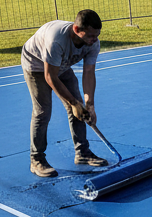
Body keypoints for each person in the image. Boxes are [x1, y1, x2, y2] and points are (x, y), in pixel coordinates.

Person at [20, 9, 108, 178]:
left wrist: (89, 104)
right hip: (37, 65)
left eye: (96, 35)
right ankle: (36, 159)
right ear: (76, 30)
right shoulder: (57, 40)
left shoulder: (93, 43)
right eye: (90, 36)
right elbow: (49, 77)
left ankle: (82, 153)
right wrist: (73, 103)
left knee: (80, 109)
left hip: (60, 65)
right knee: (43, 111)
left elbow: (89, 72)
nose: (94, 40)